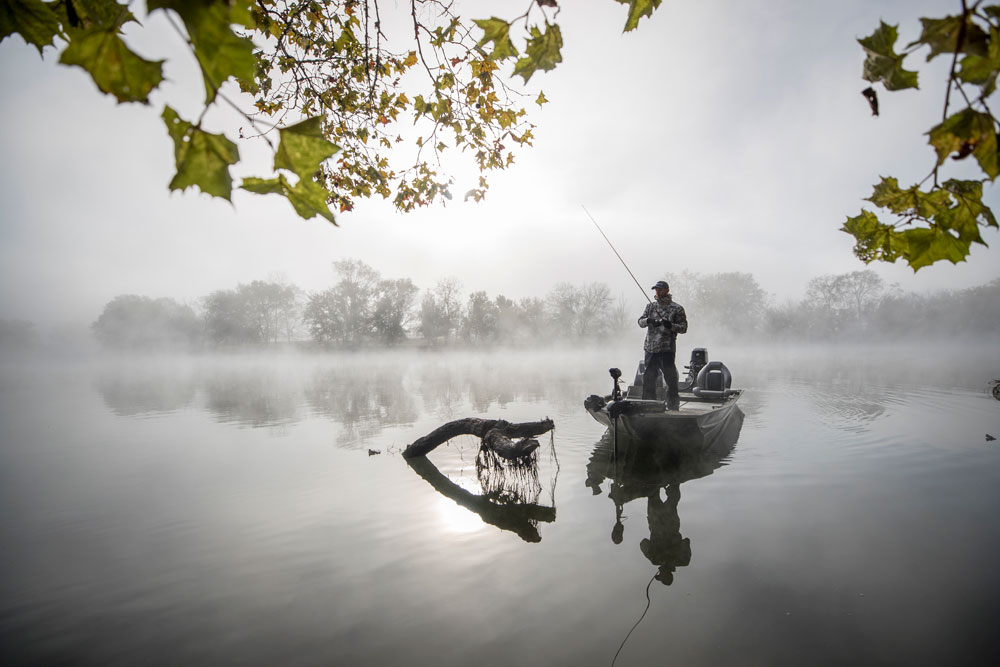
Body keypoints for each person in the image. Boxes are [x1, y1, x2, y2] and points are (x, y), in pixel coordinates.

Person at [638, 280, 687, 409]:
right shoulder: (650, 306)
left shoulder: (677, 308)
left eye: (660, 289)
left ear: (667, 290)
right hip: (650, 349)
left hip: (667, 349)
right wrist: (648, 321)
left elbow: (683, 328)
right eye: (656, 290)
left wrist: (671, 325)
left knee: (670, 378)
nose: (657, 292)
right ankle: (648, 405)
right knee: (649, 378)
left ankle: (673, 405)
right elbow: (640, 322)